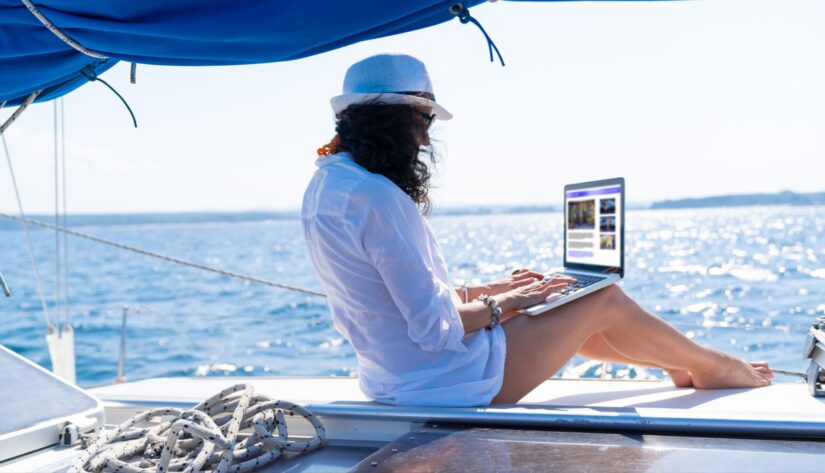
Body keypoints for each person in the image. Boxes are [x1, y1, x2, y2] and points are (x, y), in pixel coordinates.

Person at [302, 54, 772, 407]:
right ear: (401, 119)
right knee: (602, 299)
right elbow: (433, 327)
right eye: (424, 121)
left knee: (563, 304)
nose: (426, 138)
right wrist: (507, 304)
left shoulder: (327, 185)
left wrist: (495, 290)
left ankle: (683, 363)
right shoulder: (379, 197)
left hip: (392, 376)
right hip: (441, 383)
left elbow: (397, 300)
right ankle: (719, 367)